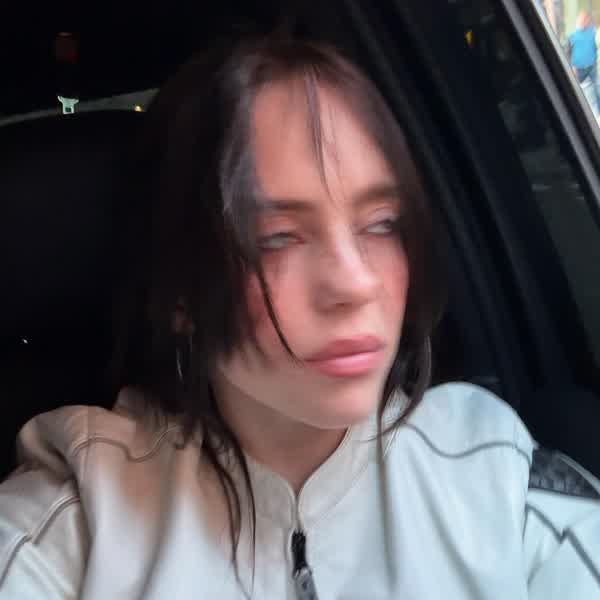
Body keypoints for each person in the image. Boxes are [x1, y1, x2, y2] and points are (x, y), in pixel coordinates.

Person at [0, 35, 599, 600]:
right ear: (180, 292)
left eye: (381, 224)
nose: (356, 283)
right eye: (278, 238)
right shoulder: (70, 535)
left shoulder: (498, 484)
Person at [569, 10, 600, 115]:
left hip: (592, 67)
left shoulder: (593, 33)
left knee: (597, 90)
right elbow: (568, 51)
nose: (583, 21)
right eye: (581, 19)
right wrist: (572, 66)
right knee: (578, 92)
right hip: (579, 69)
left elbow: (596, 47)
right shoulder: (573, 35)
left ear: (588, 21)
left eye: (585, 19)